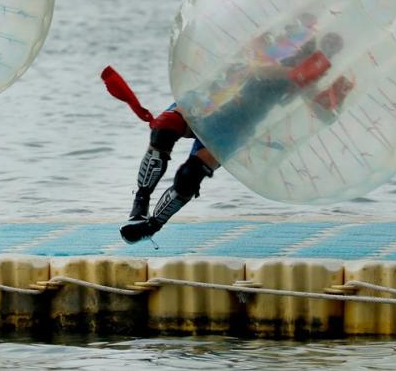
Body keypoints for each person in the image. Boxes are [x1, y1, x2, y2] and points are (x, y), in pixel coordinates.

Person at [104, 24, 348, 244]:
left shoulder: (305, 80)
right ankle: (140, 202)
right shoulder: (272, 48)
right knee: (164, 128)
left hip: (235, 128)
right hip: (209, 100)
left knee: (189, 176)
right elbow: (257, 69)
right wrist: (294, 72)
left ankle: (153, 225)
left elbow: (324, 114)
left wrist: (338, 97)